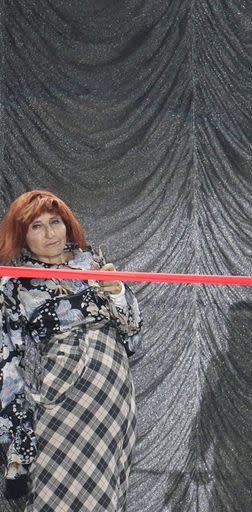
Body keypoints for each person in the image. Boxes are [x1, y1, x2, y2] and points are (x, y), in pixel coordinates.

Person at [0, 190, 143, 511]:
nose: (49, 233)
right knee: (55, 494)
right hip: (61, 401)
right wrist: (19, 439)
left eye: (55, 222)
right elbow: (7, 362)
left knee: (106, 496)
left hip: (113, 399)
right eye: (36, 226)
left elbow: (134, 338)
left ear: (67, 225)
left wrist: (118, 292)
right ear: (22, 234)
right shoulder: (15, 282)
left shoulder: (93, 265)